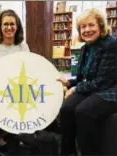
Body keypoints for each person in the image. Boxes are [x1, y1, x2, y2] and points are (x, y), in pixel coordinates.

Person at [57, 8, 117, 155]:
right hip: (93, 87)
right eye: (83, 27)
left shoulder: (111, 45)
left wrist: (76, 89)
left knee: (84, 112)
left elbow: (104, 81)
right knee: (66, 109)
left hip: (110, 90)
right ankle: (68, 151)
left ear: (101, 26)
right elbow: (81, 78)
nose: (87, 30)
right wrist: (70, 83)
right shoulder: (85, 48)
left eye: (91, 25)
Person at [0, 9, 30, 149]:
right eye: (5, 24)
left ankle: (18, 130)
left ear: (17, 26)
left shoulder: (22, 46)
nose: (9, 27)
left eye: (12, 24)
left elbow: (29, 70)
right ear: (0, 27)